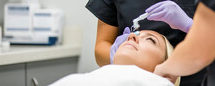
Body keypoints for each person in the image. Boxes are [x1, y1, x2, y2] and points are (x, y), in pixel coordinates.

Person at [50, 30, 180, 86]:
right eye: (135, 34)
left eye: (151, 40)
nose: (131, 37)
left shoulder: (161, 82)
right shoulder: (90, 78)